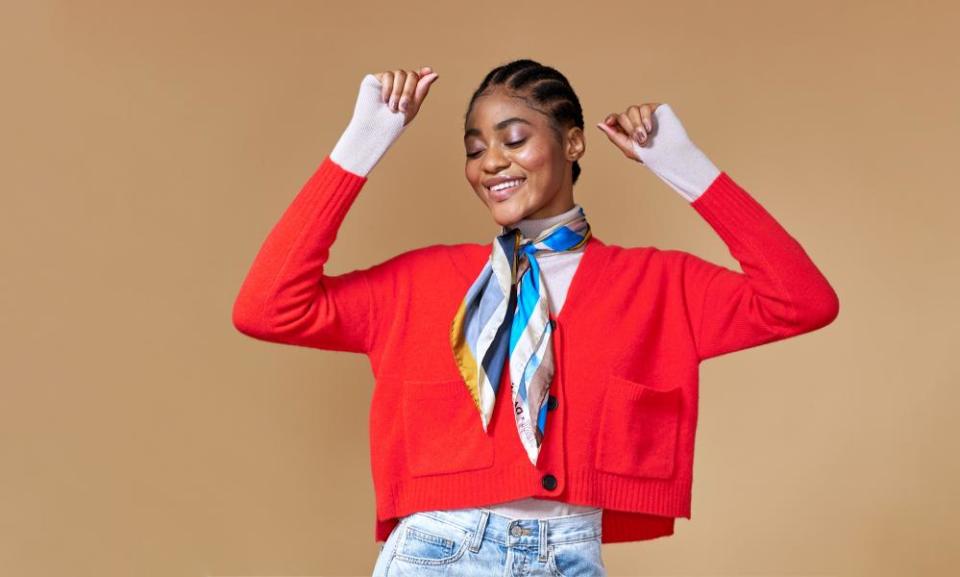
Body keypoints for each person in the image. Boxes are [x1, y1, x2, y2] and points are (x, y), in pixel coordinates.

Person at [232, 59, 840, 576]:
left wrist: (685, 166)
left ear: (572, 143)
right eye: (474, 150)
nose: (490, 162)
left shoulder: (660, 284)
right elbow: (268, 307)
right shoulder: (419, 282)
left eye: (514, 139)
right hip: (440, 552)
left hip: (570, 552)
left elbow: (802, 301)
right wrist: (361, 143)